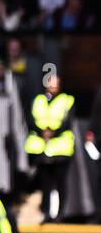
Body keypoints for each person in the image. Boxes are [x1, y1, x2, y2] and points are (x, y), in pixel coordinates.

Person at [24, 73, 75, 222]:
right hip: (41, 148)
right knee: (45, 183)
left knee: (60, 183)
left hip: (61, 148)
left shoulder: (67, 100)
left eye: (55, 83)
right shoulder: (38, 100)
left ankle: (60, 214)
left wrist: (53, 132)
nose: (53, 86)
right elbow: (30, 119)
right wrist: (42, 132)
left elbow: (68, 121)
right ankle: (46, 212)